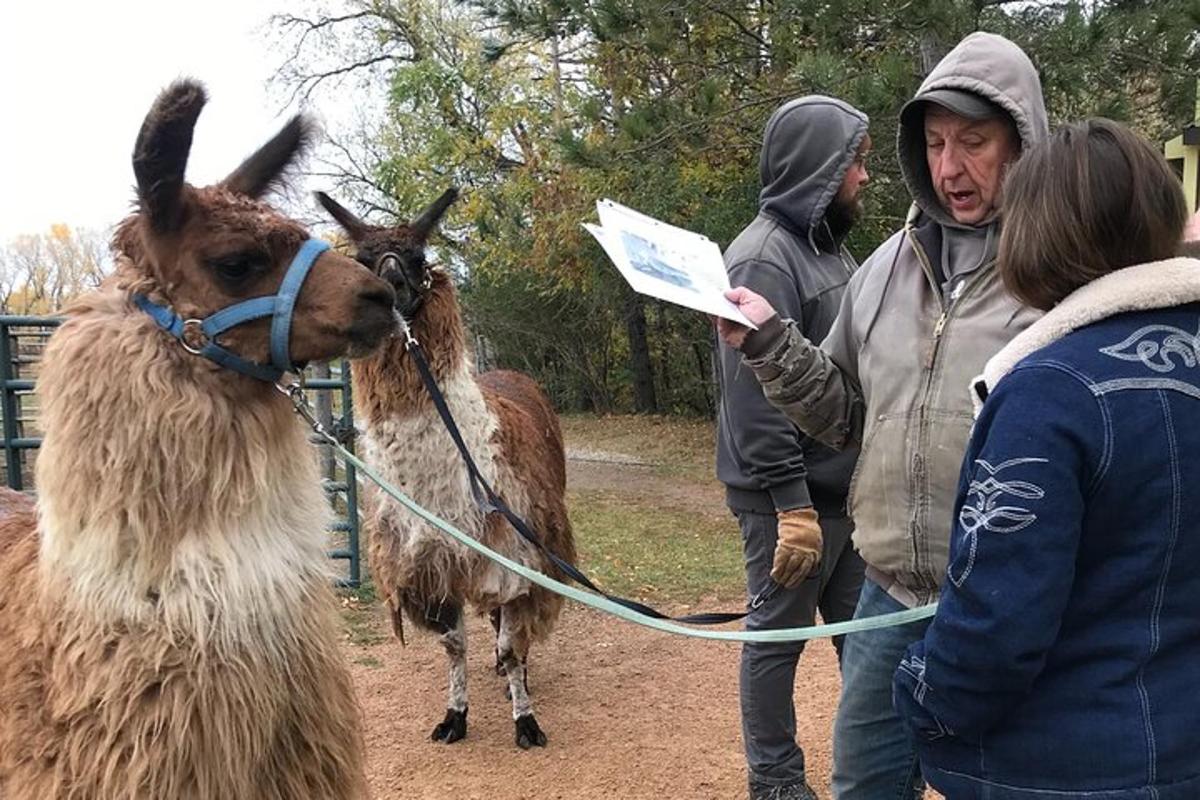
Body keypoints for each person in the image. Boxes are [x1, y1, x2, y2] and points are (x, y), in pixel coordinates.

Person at [716, 32, 1048, 799]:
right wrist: (769, 340)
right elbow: (838, 412)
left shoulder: (1059, 271)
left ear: (1023, 142)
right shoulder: (885, 269)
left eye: (974, 141)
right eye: (934, 142)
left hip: (1008, 612)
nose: (950, 167)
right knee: (863, 784)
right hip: (888, 596)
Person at [893, 118, 1200, 798]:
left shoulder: (1046, 394)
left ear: (1031, 235)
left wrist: (921, 696)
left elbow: (996, 628)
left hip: (1065, 768)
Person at [715, 95, 871, 800]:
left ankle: (883, 760)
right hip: (792, 502)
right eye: (855, 162)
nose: (864, 176)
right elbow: (752, 394)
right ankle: (775, 783)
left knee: (867, 640)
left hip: (846, 494)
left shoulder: (828, 247)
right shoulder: (762, 258)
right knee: (774, 643)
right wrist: (791, 506)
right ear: (821, 167)